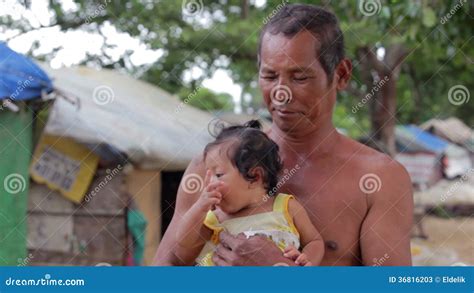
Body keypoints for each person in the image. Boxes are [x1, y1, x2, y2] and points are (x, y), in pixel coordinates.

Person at [155, 4, 413, 266]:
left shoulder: (380, 179)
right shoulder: (212, 168)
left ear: (342, 75)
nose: (281, 93)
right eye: (269, 75)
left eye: (299, 77)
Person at [172, 120, 324, 266]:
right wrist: (199, 207)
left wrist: (305, 261)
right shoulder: (216, 217)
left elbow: (314, 242)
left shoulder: (285, 207)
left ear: (255, 177)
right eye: (208, 174)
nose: (210, 183)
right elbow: (183, 241)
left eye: (218, 174)